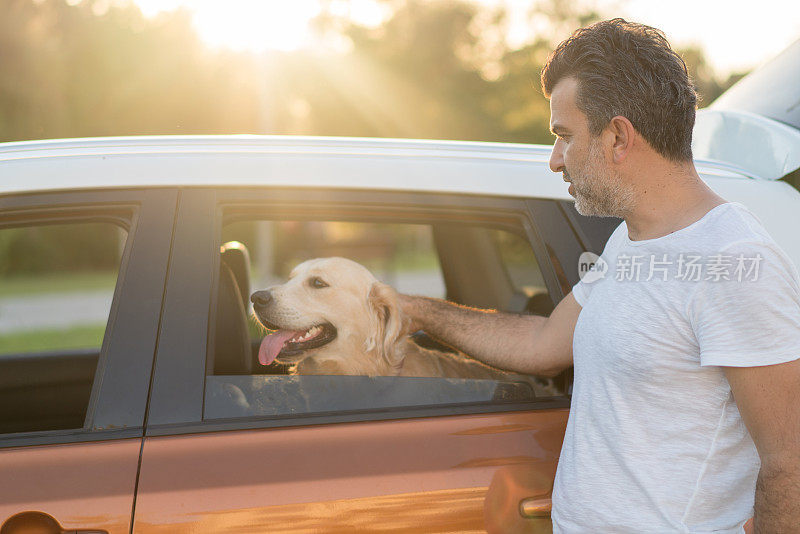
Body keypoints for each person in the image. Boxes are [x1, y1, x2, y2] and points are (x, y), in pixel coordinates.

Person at [399, 18, 800, 533]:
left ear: (617, 136)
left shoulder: (734, 261)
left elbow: (790, 458)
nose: (554, 160)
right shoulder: (630, 239)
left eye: (564, 136)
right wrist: (414, 309)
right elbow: (542, 342)